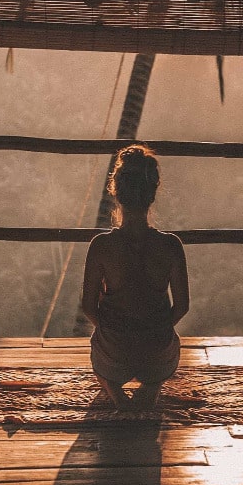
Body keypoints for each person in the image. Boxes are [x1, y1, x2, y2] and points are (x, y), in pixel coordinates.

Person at [81, 144, 189, 411]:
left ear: (116, 192)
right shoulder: (171, 245)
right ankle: (152, 384)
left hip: (115, 351)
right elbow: (182, 306)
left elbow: (88, 307)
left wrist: (113, 330)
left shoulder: (101, 246)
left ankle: (114, 388)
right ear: (152, 193)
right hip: (156, 352)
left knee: (102, 359)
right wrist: (155, 328)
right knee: (163, 350)